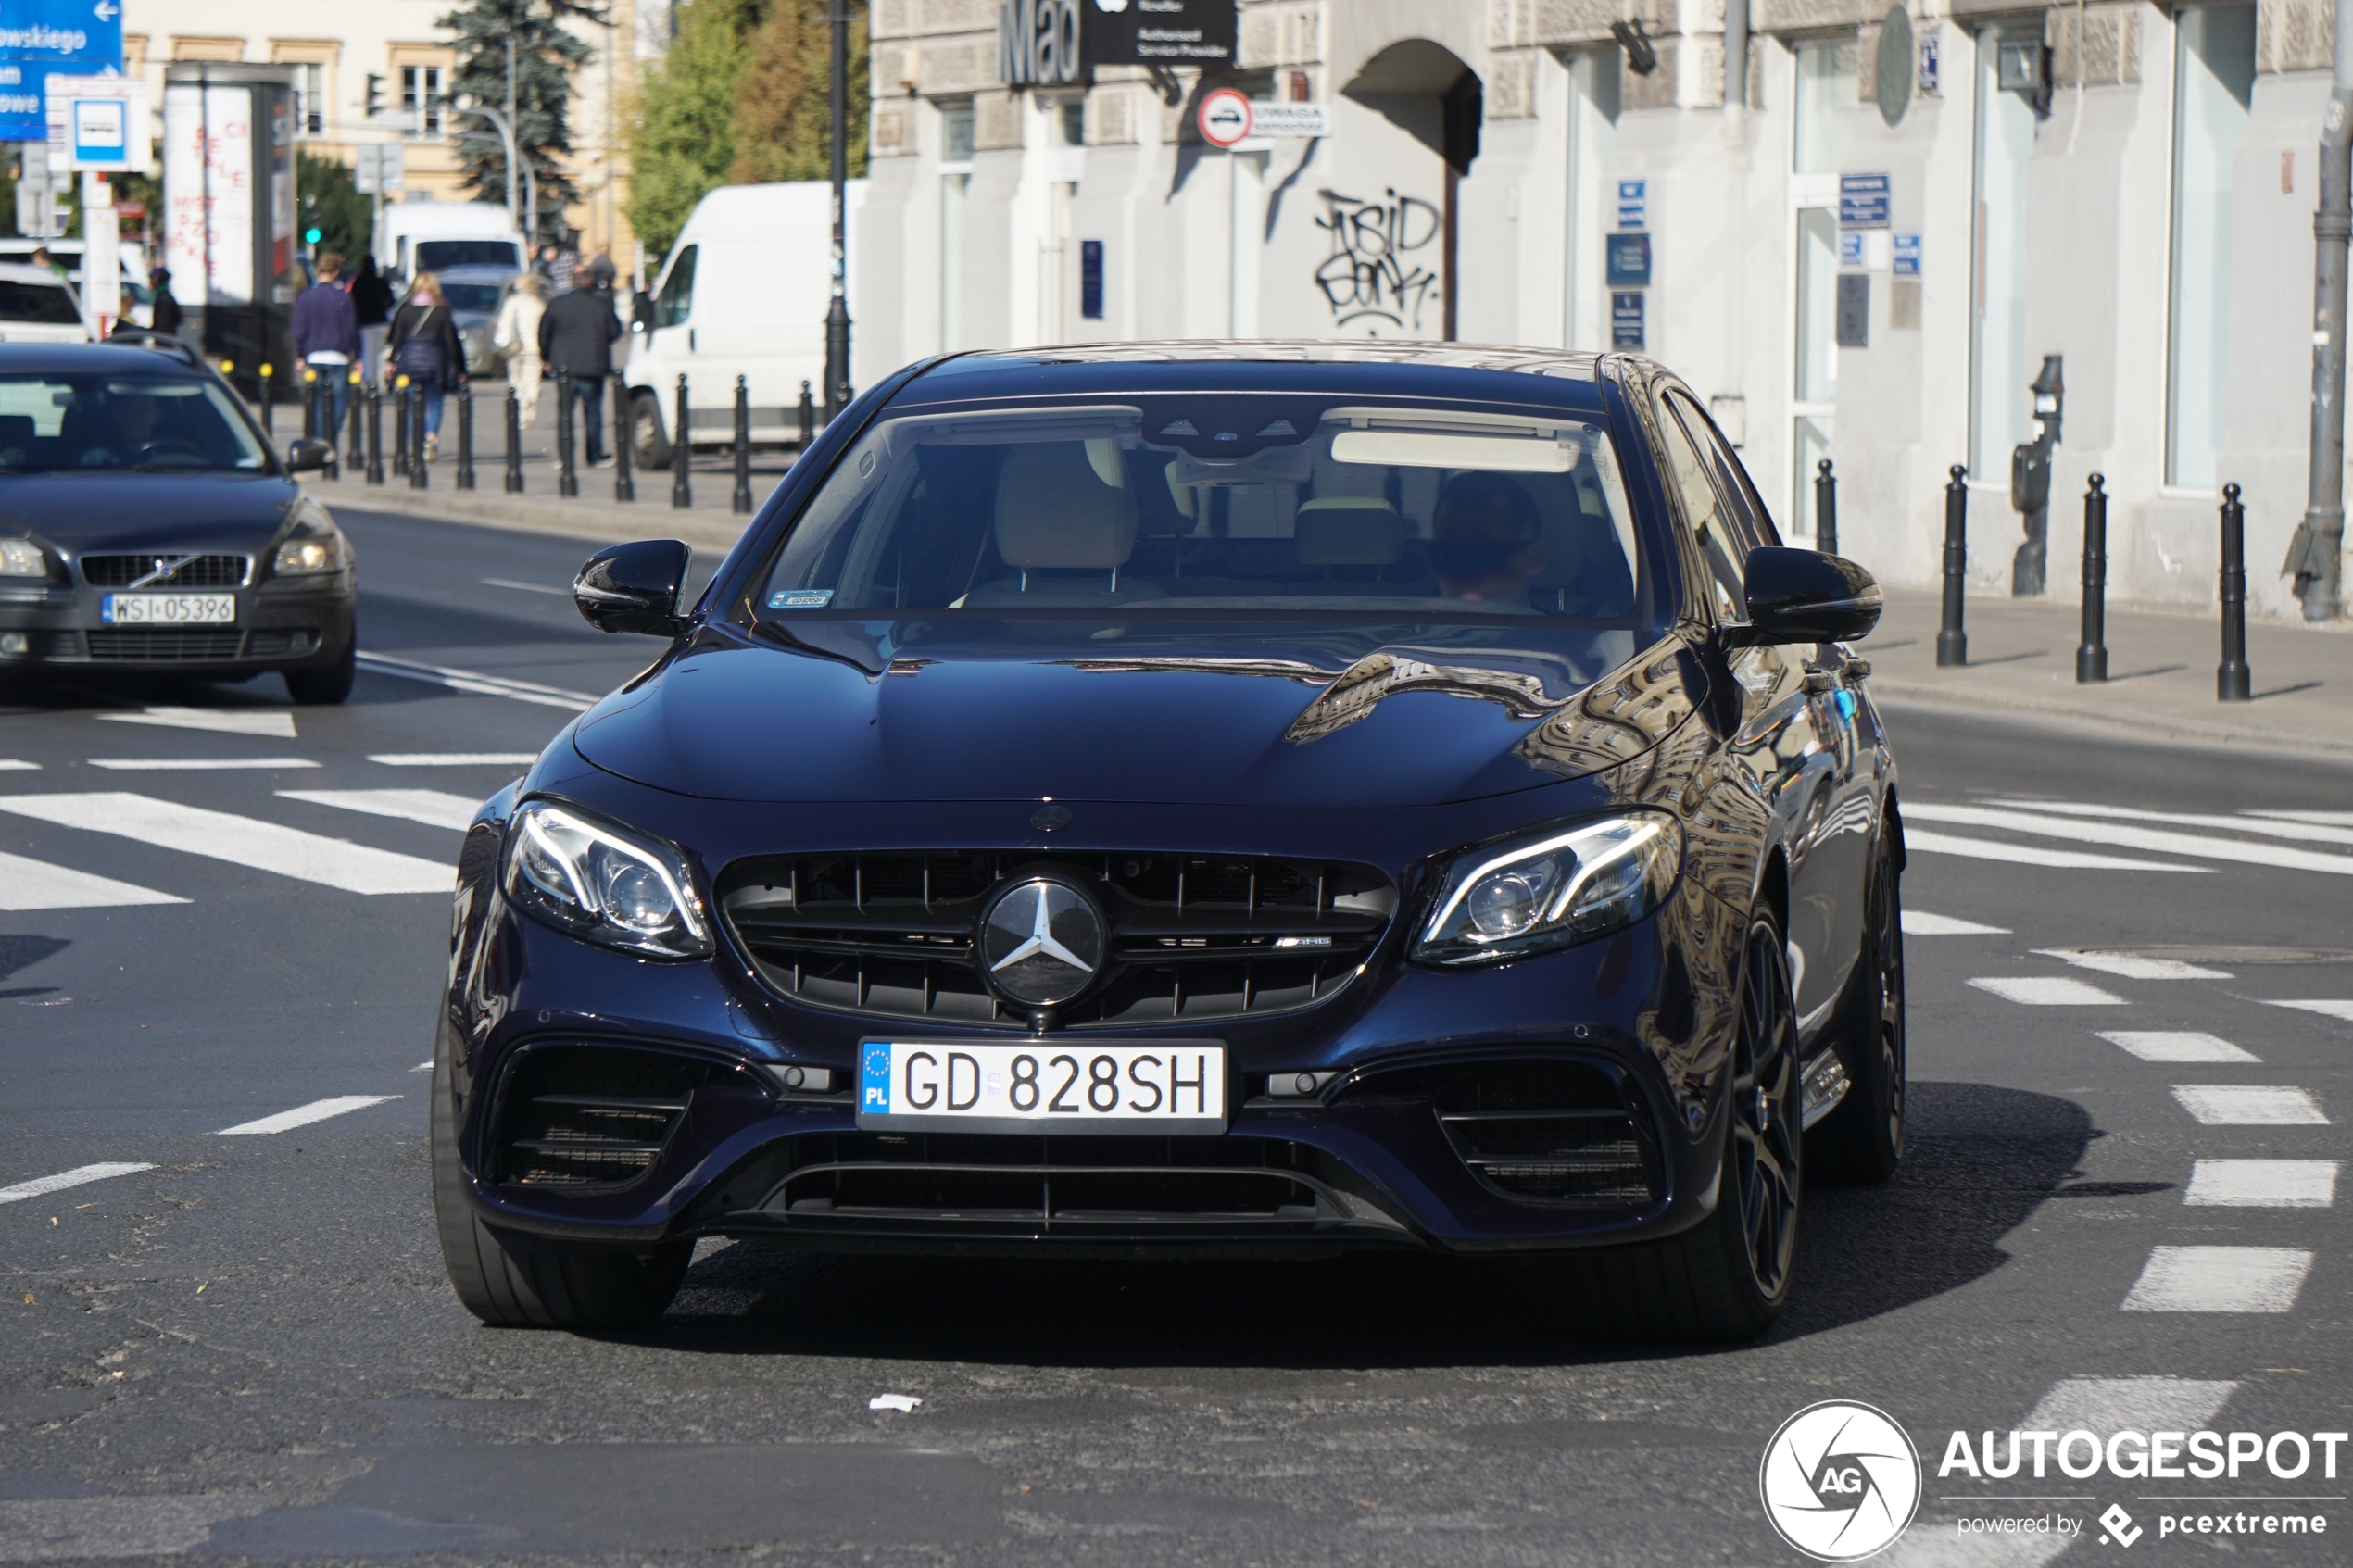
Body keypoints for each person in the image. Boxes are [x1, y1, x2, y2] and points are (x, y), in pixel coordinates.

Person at [537, 255, 622, 466]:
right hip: (593, 365)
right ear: (591, 281)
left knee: (565, 414)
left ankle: (565, 456)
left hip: (564, 366)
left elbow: (543, 334)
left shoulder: (558, 304)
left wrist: (545, 357)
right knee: (592, 413)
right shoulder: (601, 304)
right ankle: (593, 455)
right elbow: (614, 331)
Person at [1431, 471, 1547, 606]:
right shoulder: (1413, 625)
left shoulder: (1563, 627)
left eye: (1488, 554)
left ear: (1535, 558)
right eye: (1449, 554)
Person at [385, 271, 465, 461]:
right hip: (435, 364)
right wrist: (460, 369)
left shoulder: (405, 311)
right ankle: (431, 436)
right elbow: (452, 343)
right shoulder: (441, 312)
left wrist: (391, 362)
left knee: (412, 404)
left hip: (410, 364)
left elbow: (396, 340)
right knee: (435, 402)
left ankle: (417, 441)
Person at [290, 251, 360, 439]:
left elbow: (299, 330)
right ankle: (331, 436)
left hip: (314, 356)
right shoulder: (343, 298)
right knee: (339, 401)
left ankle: (320, 438)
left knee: (317, 400)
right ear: (336, 272)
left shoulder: (305, 298)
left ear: (317, 270)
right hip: (339, 356)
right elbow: (351, 330)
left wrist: (299, 355)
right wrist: (357, 356)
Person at [493, 272, 547, 429]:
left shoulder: (513, 302)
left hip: (514, 347)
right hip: (534, 348)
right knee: (532, 380)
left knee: (515, 381)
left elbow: (504, 324)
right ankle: (529, 405)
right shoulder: (539, 305)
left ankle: (520, 410)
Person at [348, 254, 395, 385]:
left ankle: (370, 383)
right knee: (380, 356)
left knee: (368, 355)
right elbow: (391, 301)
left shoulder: (358, 283)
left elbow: (353, 303)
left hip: (365, 324)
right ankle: (381, 383)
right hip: (381, 321)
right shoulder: (380, 281)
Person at [147, 267, 183, 337]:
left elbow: (161, 325)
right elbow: (178, 319)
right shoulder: (167, 297)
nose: (150, 281)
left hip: (163, 341)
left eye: (152, 278)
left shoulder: (163, 299)